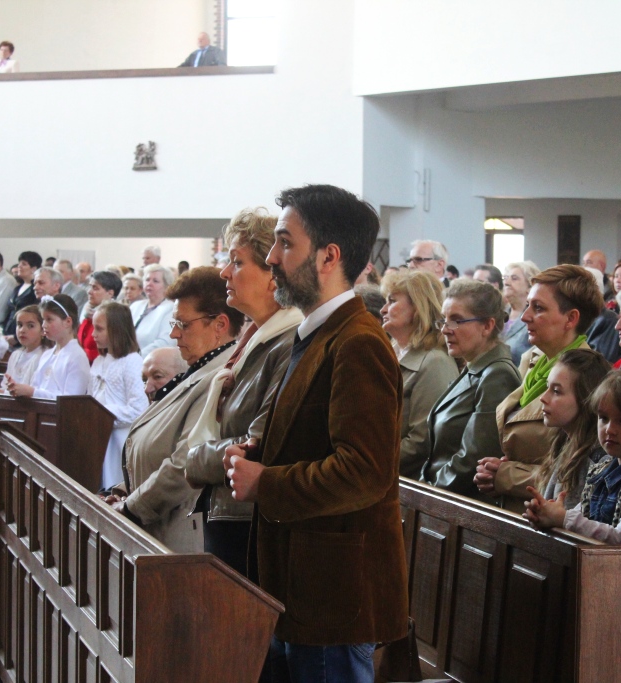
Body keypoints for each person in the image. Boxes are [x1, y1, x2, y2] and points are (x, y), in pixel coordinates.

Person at [222, 184, 409, 680]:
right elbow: (319, 433)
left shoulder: (358, 342)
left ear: (329, 256)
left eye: (285, 243)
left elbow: (364, 471)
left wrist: (266, 482)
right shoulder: (320, 333)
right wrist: (262, 450)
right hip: (303, 584)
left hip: (335, 596)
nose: (272, 257)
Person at [178, 208, 302, 575]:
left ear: (272, 275)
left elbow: (255, 446)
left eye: (236, 262)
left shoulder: (289, 343)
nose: (224, 273)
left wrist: (197, 458)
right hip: (229, 516)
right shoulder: (255, 340)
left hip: (248, 524)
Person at [105, 267, 241, 552]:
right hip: (156, 528)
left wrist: (130, 507)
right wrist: (121, 490)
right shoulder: (198, 370)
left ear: (219, 325)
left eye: (183, 324)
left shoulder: (221, 376)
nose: (174, 333)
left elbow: (185, 462)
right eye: (173, 322)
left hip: (177, 536)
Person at [476, 265, 604, 512]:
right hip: (513, 509)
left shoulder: (588, 377)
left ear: (571, 319)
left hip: (546, 516)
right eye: (527, 306)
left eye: (538, 308)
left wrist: (505, 475)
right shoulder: (533, 360)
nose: (524, 317)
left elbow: (576, 475)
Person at [526, 369, 621, 544]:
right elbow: (582, 514)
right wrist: (548, 514)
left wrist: (565, 519)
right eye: (603, 418)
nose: (609, 429)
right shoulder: (601, 467)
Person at [419, 279, 520, 502]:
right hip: (446, 498)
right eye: (443, 321)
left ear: (487, 325)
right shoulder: (475, 367)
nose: (445, 330)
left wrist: (429, 493)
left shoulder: (496, 375)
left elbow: (473, 458)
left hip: (462, 504)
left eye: (456, 321)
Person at [379, 270, 459, 478]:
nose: (383, 309)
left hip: (403, 480)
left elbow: (422, 441)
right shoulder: (391, 352)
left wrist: (370, 464)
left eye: (392, 301)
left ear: (418, 306)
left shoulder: (434, 361)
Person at [523, 349, 611, 511]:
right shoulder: (565, 441)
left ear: (586, 399)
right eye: (547, 387)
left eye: (556, 391)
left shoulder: (596, 459)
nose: (543, 397)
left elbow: (573, 530)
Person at [90, 302, 149, 490]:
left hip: (119, 441)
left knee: (113, 485)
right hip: (98, 436)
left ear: (116, 329)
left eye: (99, 329)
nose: (93, 334)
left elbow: (138, 410)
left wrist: (101, 413)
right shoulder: (101, 360)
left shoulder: (131, 362)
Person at [7, 295, 90, 399]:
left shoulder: (77, 356)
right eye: (43, 320)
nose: (44, 325)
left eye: (49, 320)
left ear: (68, 322)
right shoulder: (47, 354)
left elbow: (71, 402)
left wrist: (32, 392)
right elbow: (36, 388)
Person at [0, 305, 51, 395]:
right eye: (19, 325)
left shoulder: (45, 356)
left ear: (43, 330)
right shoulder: (15, 355)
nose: (22, 330)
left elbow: (30, 393)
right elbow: (5, 389)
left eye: (30, 326)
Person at [499, 261, 540, 367]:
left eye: (514, 278)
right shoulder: (498, 314)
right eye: (505, 278)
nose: (506, 283)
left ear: (530, 287)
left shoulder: (535, 318)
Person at [131, 264, 177, 355]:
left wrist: (136, 357)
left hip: (150, 362)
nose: (149, 283)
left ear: (167, 286)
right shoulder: (135, 306)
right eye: (147, 280)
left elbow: (165, 343)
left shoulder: (170, 309)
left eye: (155, 281)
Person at [79, 270, 122, 364]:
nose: (89, 291)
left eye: (95, 288)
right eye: (90, 286)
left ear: (110, 293)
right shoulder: (88, 311)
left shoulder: (115, 316)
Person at [3, 252, 43, 341]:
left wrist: (15, 337)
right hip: (8, 333)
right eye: (19, 264)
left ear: (33, 268)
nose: (19, 267)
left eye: (24, 264)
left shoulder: (35, 290)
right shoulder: (17, 288)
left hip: (23, 336)